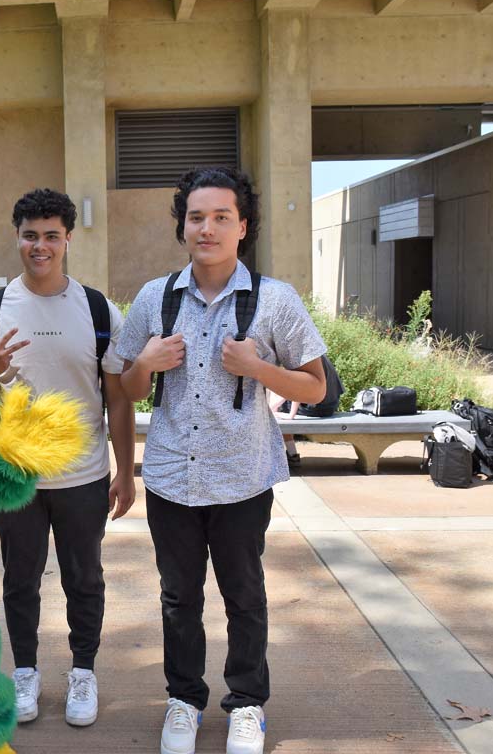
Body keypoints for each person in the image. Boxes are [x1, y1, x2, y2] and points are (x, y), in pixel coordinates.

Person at [117, 167, 327, 754]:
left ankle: (246, 705)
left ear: (243, 227)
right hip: (169, 477)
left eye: (221, 217)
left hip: (241, 474)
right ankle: (183, 701)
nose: (206, 228)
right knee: (178, 597)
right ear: (182, 226)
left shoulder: (274, 300)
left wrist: (258, 368)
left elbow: (314, 389)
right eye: (196, 217)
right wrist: (146, 364)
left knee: (244, 595)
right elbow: (126, 388)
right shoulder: (155, 299)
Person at [0, 188, 136, 728]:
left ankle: (83, 669)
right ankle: (27, 671)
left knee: (85, 577)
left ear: (68, 239)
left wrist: (126, 471)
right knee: (20, 579)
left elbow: (119, 396)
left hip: (84, 474)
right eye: (30, 235)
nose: (41, 246)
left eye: (51, 236)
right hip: (16, 475)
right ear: (16, 237)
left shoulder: (97, 307)